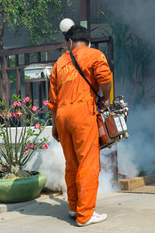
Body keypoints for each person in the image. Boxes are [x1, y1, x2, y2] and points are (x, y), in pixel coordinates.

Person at [48, 25, 112, 227]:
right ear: (88, 41)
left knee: (71, 164)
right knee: (88, 163)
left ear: (69, 42)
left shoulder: (59, 63)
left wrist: (54, 124)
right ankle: (85, 215)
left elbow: (53, 98)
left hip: (61, 115)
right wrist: (106, 99)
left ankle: (74, 208)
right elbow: (106, 78)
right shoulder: (94, 54)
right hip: (82, 113)